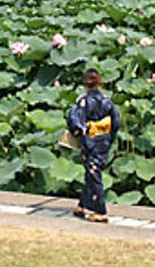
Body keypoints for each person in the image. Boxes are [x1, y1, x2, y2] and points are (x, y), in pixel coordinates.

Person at [67, 68, 120, 223]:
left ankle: (100, 210)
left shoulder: (83, 101)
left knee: (93, 173)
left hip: (90, 140)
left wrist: (79, 132)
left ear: (85, 83)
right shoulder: (107, 101)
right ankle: (82, 205)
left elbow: (75, 120)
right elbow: (116, 122)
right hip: (104, 140)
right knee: (91, 172)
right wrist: (109, 138)